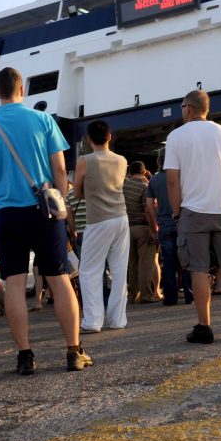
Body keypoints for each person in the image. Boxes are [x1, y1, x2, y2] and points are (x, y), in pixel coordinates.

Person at [0, 67, 91, 374]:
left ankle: (25, 355)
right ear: (22, 90)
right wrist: (60, 203)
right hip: (44, 210)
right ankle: (73, 351)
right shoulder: (43, 120)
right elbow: (61, 171)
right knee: (58, 277)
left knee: (13, 282)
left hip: (8, 213)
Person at [164, 89, 221, 344]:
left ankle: (205, 327)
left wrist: (177, 211)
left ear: (188, 108)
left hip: (193, 212)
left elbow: (172, 180)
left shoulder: (176, 137)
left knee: (199, 270)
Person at [75, 120, 129, 333]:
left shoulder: (84, 160)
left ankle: (93, 321)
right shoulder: (122, 160)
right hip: (121, 217)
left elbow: (78, 192)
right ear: (109, 136)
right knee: (118, 270)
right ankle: (117, 319)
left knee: (89, 271)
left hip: (98, 220)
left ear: (89, 139)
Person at [147, 150, 193, 306]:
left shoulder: (153, 180)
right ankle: (190, 295)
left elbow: (149, 205)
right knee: (186, 259)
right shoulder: (182, 177)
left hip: (164, 222)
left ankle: (170, 297)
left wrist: (156, 220)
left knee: (168, 262)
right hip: (182, 219)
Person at [124, 161, 160, 303]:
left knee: (132, 264)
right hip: (143, 228)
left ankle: (133, 294)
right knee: (146, 263)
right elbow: (147, 210)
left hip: (127, 228)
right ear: (144, 172)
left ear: (130, 173)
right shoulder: (145, 187)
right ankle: (147, 295)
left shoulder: (123, 187)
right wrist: (153, 230)